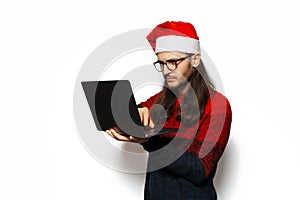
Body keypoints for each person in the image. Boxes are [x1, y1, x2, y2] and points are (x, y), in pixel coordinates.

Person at [105, 21, 232, 200]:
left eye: (173, 62)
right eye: (162, 63)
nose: (166, 70)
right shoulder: (159, 100)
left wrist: (149, 141)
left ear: (194, 59)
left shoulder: (218, 106)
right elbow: (131, 117)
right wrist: (122, 120)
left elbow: (199, 170)